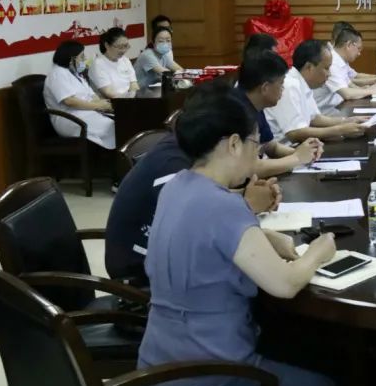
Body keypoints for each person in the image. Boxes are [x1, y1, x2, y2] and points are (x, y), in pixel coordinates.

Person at [136, 82, 337, 386]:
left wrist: (266, 238)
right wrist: (320, 251)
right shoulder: (224, 206)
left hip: (154, 370)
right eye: (254, 144)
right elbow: (285, 284)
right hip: (206, 382)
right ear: (232, 144)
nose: (256, 155)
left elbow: (205, 236)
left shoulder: (176, 186)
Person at [105, 122, 282, 285]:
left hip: (170, 258)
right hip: (142, 272)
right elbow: (198, 225)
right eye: (253, 145)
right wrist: (246, 203)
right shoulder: (174, 166)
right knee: (258, 280)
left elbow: (205, 202)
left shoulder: (188, 150)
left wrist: (245, 195)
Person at [237, 50, 324, 178]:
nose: (283, 89)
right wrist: (297, 158)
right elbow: (251, 168)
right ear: (265, 88)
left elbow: (271, 147)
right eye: (281, 83)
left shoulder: (255, 105)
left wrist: (305, 152)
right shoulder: (237, 112)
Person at [266, 40, 367, 144]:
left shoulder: (303, 83)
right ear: (309, 67)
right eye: (326, 68)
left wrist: (347, 121)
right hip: (286, 149)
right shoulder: (289, 85)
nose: (329, 74)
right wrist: (340, 130)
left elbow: (314, 118)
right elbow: (295, 133)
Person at [43, 41, 115, 149]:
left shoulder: (75, 73)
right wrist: (98, 106)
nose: (84, 59)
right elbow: (69, 101)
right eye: (82, 57)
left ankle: (112, 154)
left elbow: (91, 95)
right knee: (109, 126)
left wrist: (104, 105)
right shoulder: (57, 74)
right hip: (70, 118)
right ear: (71, 58)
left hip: (85, 113)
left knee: (115, 124)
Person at [313, 27, 376, 107]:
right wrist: (371, 90)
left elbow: (350, 84)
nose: (359, 53)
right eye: (358, 48)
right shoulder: (332, 62)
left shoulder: (340, 60)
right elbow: (347, 94)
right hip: (326, 111)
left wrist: (363, 89)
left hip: (337, 107)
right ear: (349, 45)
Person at [90, 26, 139, 99]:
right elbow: (109, 93)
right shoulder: (98, 64)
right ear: (107, 45)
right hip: (111, 103)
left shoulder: (125, 60)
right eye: (120, 47)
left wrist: (132, 96)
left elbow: (134, 84)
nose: (124, 50)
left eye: (126, 46)